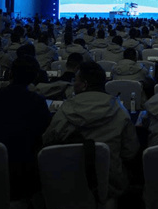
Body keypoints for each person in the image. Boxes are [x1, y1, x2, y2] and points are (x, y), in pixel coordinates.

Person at [42, 62, 140, 198]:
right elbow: (130, 152)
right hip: (110, 183)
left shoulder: (64, 110)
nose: (73, 84)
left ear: (84, 85)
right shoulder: (120, 110)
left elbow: (47, 142)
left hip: (68, 181)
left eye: (75, 81)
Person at [0, 55, 51, 199]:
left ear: (10, 73)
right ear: (35, 76)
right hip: (24, 168)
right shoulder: (37, 100)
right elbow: (45, 134)